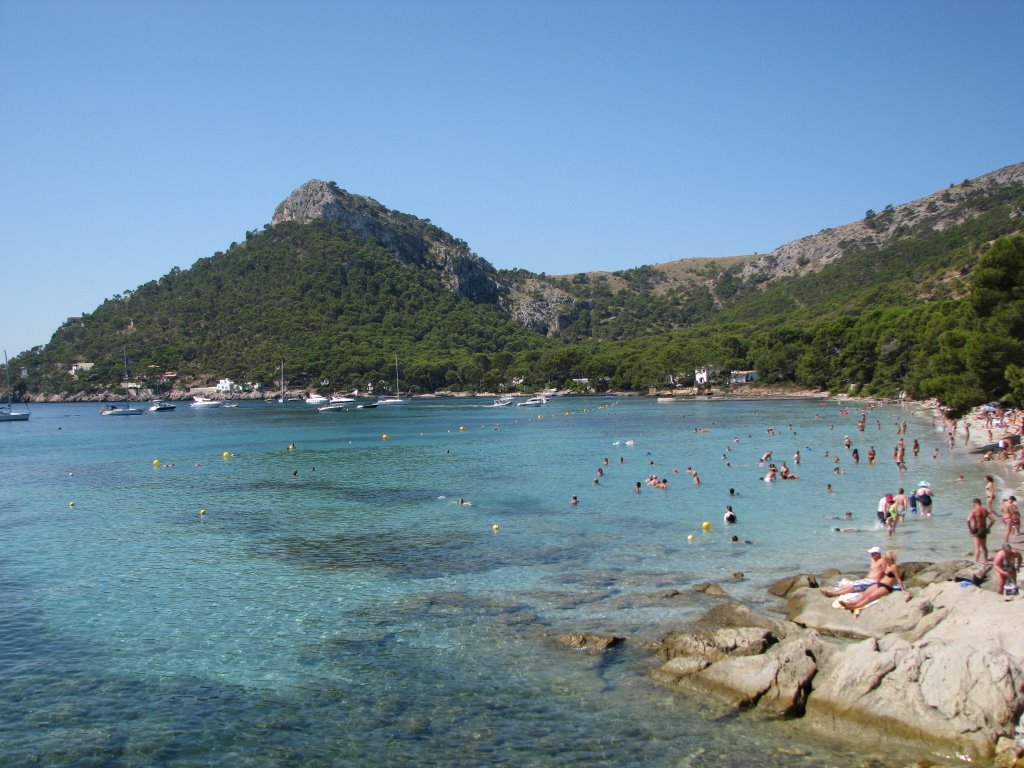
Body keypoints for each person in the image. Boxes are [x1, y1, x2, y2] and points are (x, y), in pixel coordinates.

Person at [841, 551, 908, 612]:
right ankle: (850, 603)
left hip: (886, 587)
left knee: (870, 596)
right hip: (880, 583)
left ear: (891, 558)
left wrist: (904, 590)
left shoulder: (894, 567)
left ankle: (855, 606)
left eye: (887, 557)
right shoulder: (887, 566)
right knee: (864, 593)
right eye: (885, 556)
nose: (885, 558)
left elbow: (898, 579)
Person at [822, 547, 887, 597]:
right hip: (867, 580)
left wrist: (882, 584)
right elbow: (872, 571)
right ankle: (834, 591)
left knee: (852, 587)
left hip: (874, 581)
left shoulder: (882, 561)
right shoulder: (872, 560)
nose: (871, 555)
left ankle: (833, 593)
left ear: (878, 554)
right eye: (871, 554)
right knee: (849, 584)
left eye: (873, 554)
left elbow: (885, 572)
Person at [966, 498, 993, 562]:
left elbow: (968, 520)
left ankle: (976, 561)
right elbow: (993, 520)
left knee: (977, 547)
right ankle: (985, 560)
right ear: (980, 503)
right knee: (984, 547)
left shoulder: (974, 511)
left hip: (976, 529)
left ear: (974, 503)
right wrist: (988, 528)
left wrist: (970, 529)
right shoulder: (985, 510)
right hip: (984, 529)